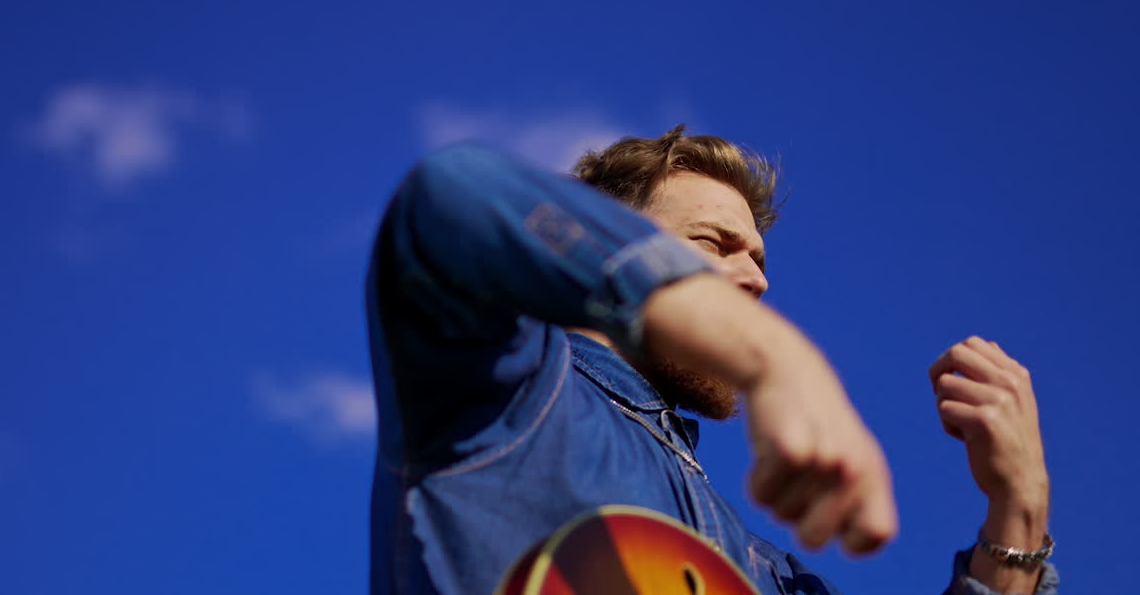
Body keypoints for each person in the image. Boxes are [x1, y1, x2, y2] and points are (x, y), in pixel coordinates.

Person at [365, 126, 1056, 595]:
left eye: (758, 259)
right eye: (714, 244)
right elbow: (447, 199)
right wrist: (779, 358)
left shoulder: (769, 572)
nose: (756, 280)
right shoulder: (506, 395)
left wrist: (1018, 511)